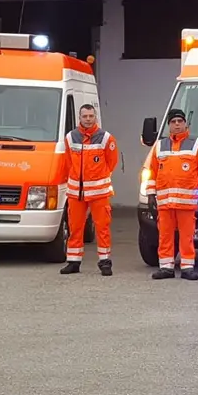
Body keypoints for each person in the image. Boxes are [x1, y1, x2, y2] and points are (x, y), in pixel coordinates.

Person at [141, 109, 198, 281]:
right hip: (165, 202)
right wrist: (151, 195)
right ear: (169, 126)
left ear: (186, 123)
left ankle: (187, 268)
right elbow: (151, 171)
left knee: (187, 236)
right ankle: (166, 268)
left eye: (180, 121)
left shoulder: (197, 144)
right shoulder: (159, 146)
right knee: (164, 235)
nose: (177, 124)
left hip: (186, 202)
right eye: (173, 122)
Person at [61, 104, 120, 276]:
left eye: (90, 116)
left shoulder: (106, 138)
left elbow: (112, 163)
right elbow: (67, 163)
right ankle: (73, 261)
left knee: (102, 227)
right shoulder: (71, 137)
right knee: (75, 227)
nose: (88, 119)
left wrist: (98, 178)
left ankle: (105, 262)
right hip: (76, 192)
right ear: (80, 118)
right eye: (85, 116)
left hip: (99, 192)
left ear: (95, 117)